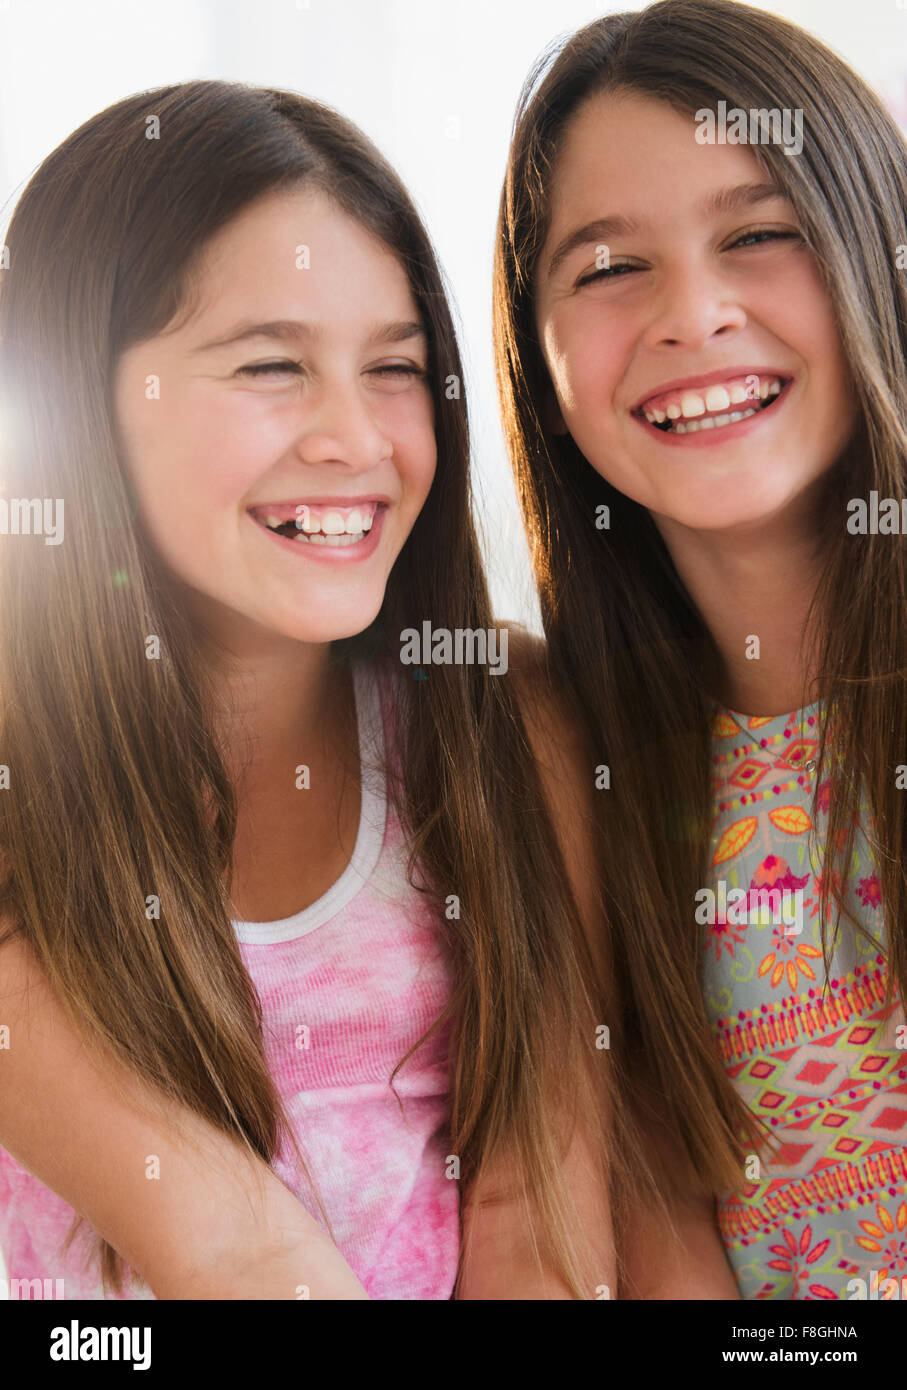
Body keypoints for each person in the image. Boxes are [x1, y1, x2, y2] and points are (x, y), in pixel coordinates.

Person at [0, 80, 621, 1300]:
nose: (356, 437)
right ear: (77, 399)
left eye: (394, 368)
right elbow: (234, 1255)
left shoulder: (505, 723)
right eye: (271, 364)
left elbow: (541, 1220)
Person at [494, 0, 907, 1299]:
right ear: (539, 364)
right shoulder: (567, 747)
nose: (693, 312)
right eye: (607, 267)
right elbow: (661, 1213)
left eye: (757, 233)